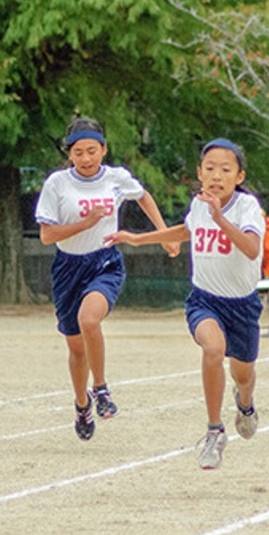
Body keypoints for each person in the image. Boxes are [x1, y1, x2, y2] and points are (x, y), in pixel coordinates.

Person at [106, 138, 265, 470]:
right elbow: (186, 231)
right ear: (199, 172)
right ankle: (214, 431)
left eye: (225, 169)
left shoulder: (248, 207)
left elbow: (251, 249)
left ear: (239, 176)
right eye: (209, 168)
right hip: (205, 300)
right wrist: (139, 238)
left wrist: (220, 218)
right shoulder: (199, 205)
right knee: (212, 350)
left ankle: (245, 404)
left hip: (243, 306)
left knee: (244, 374)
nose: (216, 175)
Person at [35, 116, 172, 441]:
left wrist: (163, 232)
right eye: (79, 152)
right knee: (76, 347)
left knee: (90, 320)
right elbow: (46, 235)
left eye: (92, 151)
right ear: (69, 153)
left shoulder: (116, 178)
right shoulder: (56, 184)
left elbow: (143, 196)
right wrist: (85, 223)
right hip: (68, 268)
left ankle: (101, 388)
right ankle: (82, 405)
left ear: (104, 149)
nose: (86, 158)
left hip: (105, 262)